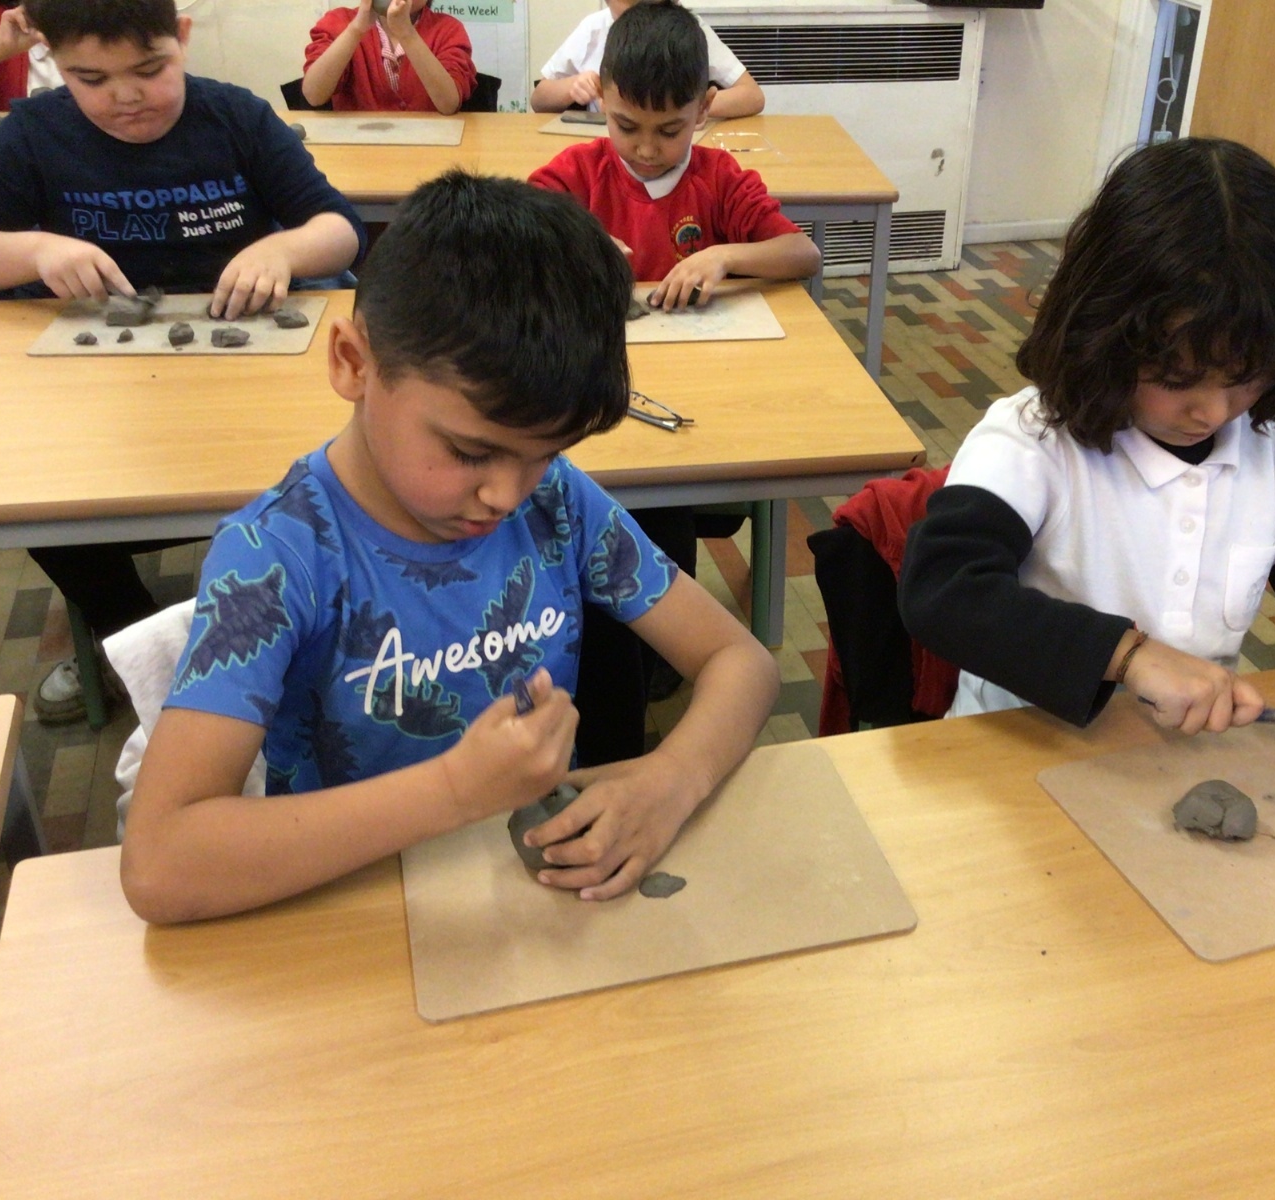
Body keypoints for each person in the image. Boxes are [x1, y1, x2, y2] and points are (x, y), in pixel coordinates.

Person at [119, 170, 779, 923]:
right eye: (470, 452)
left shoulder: (556, 501)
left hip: (523, 896)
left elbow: (742, 662)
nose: (507, 494)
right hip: (351, 912)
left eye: (544, 453)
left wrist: (673, 778)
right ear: (353, 363)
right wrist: (457, 791)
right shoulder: (278, 557)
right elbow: (160, 863)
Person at [899, 137, 1275, 778]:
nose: (1212, 412)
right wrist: (1128, 655)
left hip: (1171, 764)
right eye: (1178, 380)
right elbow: (946, 591)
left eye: (1245, 381)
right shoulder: (1032, 441)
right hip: (1015, 757)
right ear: (1105, 334)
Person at [0, 0, 366, 725]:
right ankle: (131, 636)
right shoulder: (34, 133)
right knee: (32, 500)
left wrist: (283, 248)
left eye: (150, 68)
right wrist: (33, 249)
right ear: (53, 62)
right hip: (98, 400)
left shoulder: (235, 117)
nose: (126, 96)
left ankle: (289, 626)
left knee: (325, 484)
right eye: (91, 79)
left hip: (244, 385)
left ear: (182, 38)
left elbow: (341, 229)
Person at [529, 0, 815, 761]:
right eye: (626, 126)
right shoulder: (577, 174)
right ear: (601, 100)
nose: (647, 149)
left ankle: (662, 651)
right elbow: (515, 242)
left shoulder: (719, 178)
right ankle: (617, 649)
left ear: (703, 111)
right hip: (599, 410)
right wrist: (578, 248)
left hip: (696, 410)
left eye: (670, 129)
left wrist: (725, 255)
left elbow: (802, 254)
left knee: (666, 509)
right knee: (594, 512)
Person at [531, 0, 762, 120]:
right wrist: (572, 86)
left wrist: (689, 110)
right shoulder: (593, 30)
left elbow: (752, 96)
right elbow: (539, 99)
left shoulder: (687, 29)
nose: (639, 21)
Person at [302, 0, 475, 115]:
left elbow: (449, 104)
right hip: (357, 149)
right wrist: (356, 29)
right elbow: (314, 96)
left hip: (430, 147)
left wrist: (406, 33)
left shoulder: (448, 29)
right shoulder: (339, 22)